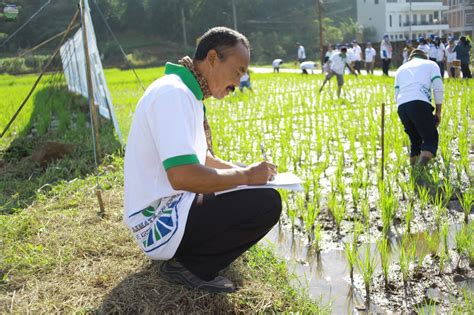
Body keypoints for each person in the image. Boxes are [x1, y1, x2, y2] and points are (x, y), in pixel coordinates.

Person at [123, 27, 281, 293]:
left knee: (250, 189)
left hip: (173, 203)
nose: (239, 81)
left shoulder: (186, 92)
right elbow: (183, 175)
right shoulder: (173, 95)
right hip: (158, 220)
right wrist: (245, 176)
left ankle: (194, 254)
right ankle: (188, 266)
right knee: (267, 203)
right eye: (238, 71)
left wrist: (246, 173)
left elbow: (202, 158)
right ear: (212, 58)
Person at [394, 49, 443, 168]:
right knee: (430, 138)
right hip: (419, 102)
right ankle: (420, 168)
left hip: (402, 106)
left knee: (415, 141)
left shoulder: (401, 68)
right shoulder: (431, 64)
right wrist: (438, 111)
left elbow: (396, 93)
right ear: (425, 57)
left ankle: (413, 170)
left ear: (410, 58)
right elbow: (438, 87)